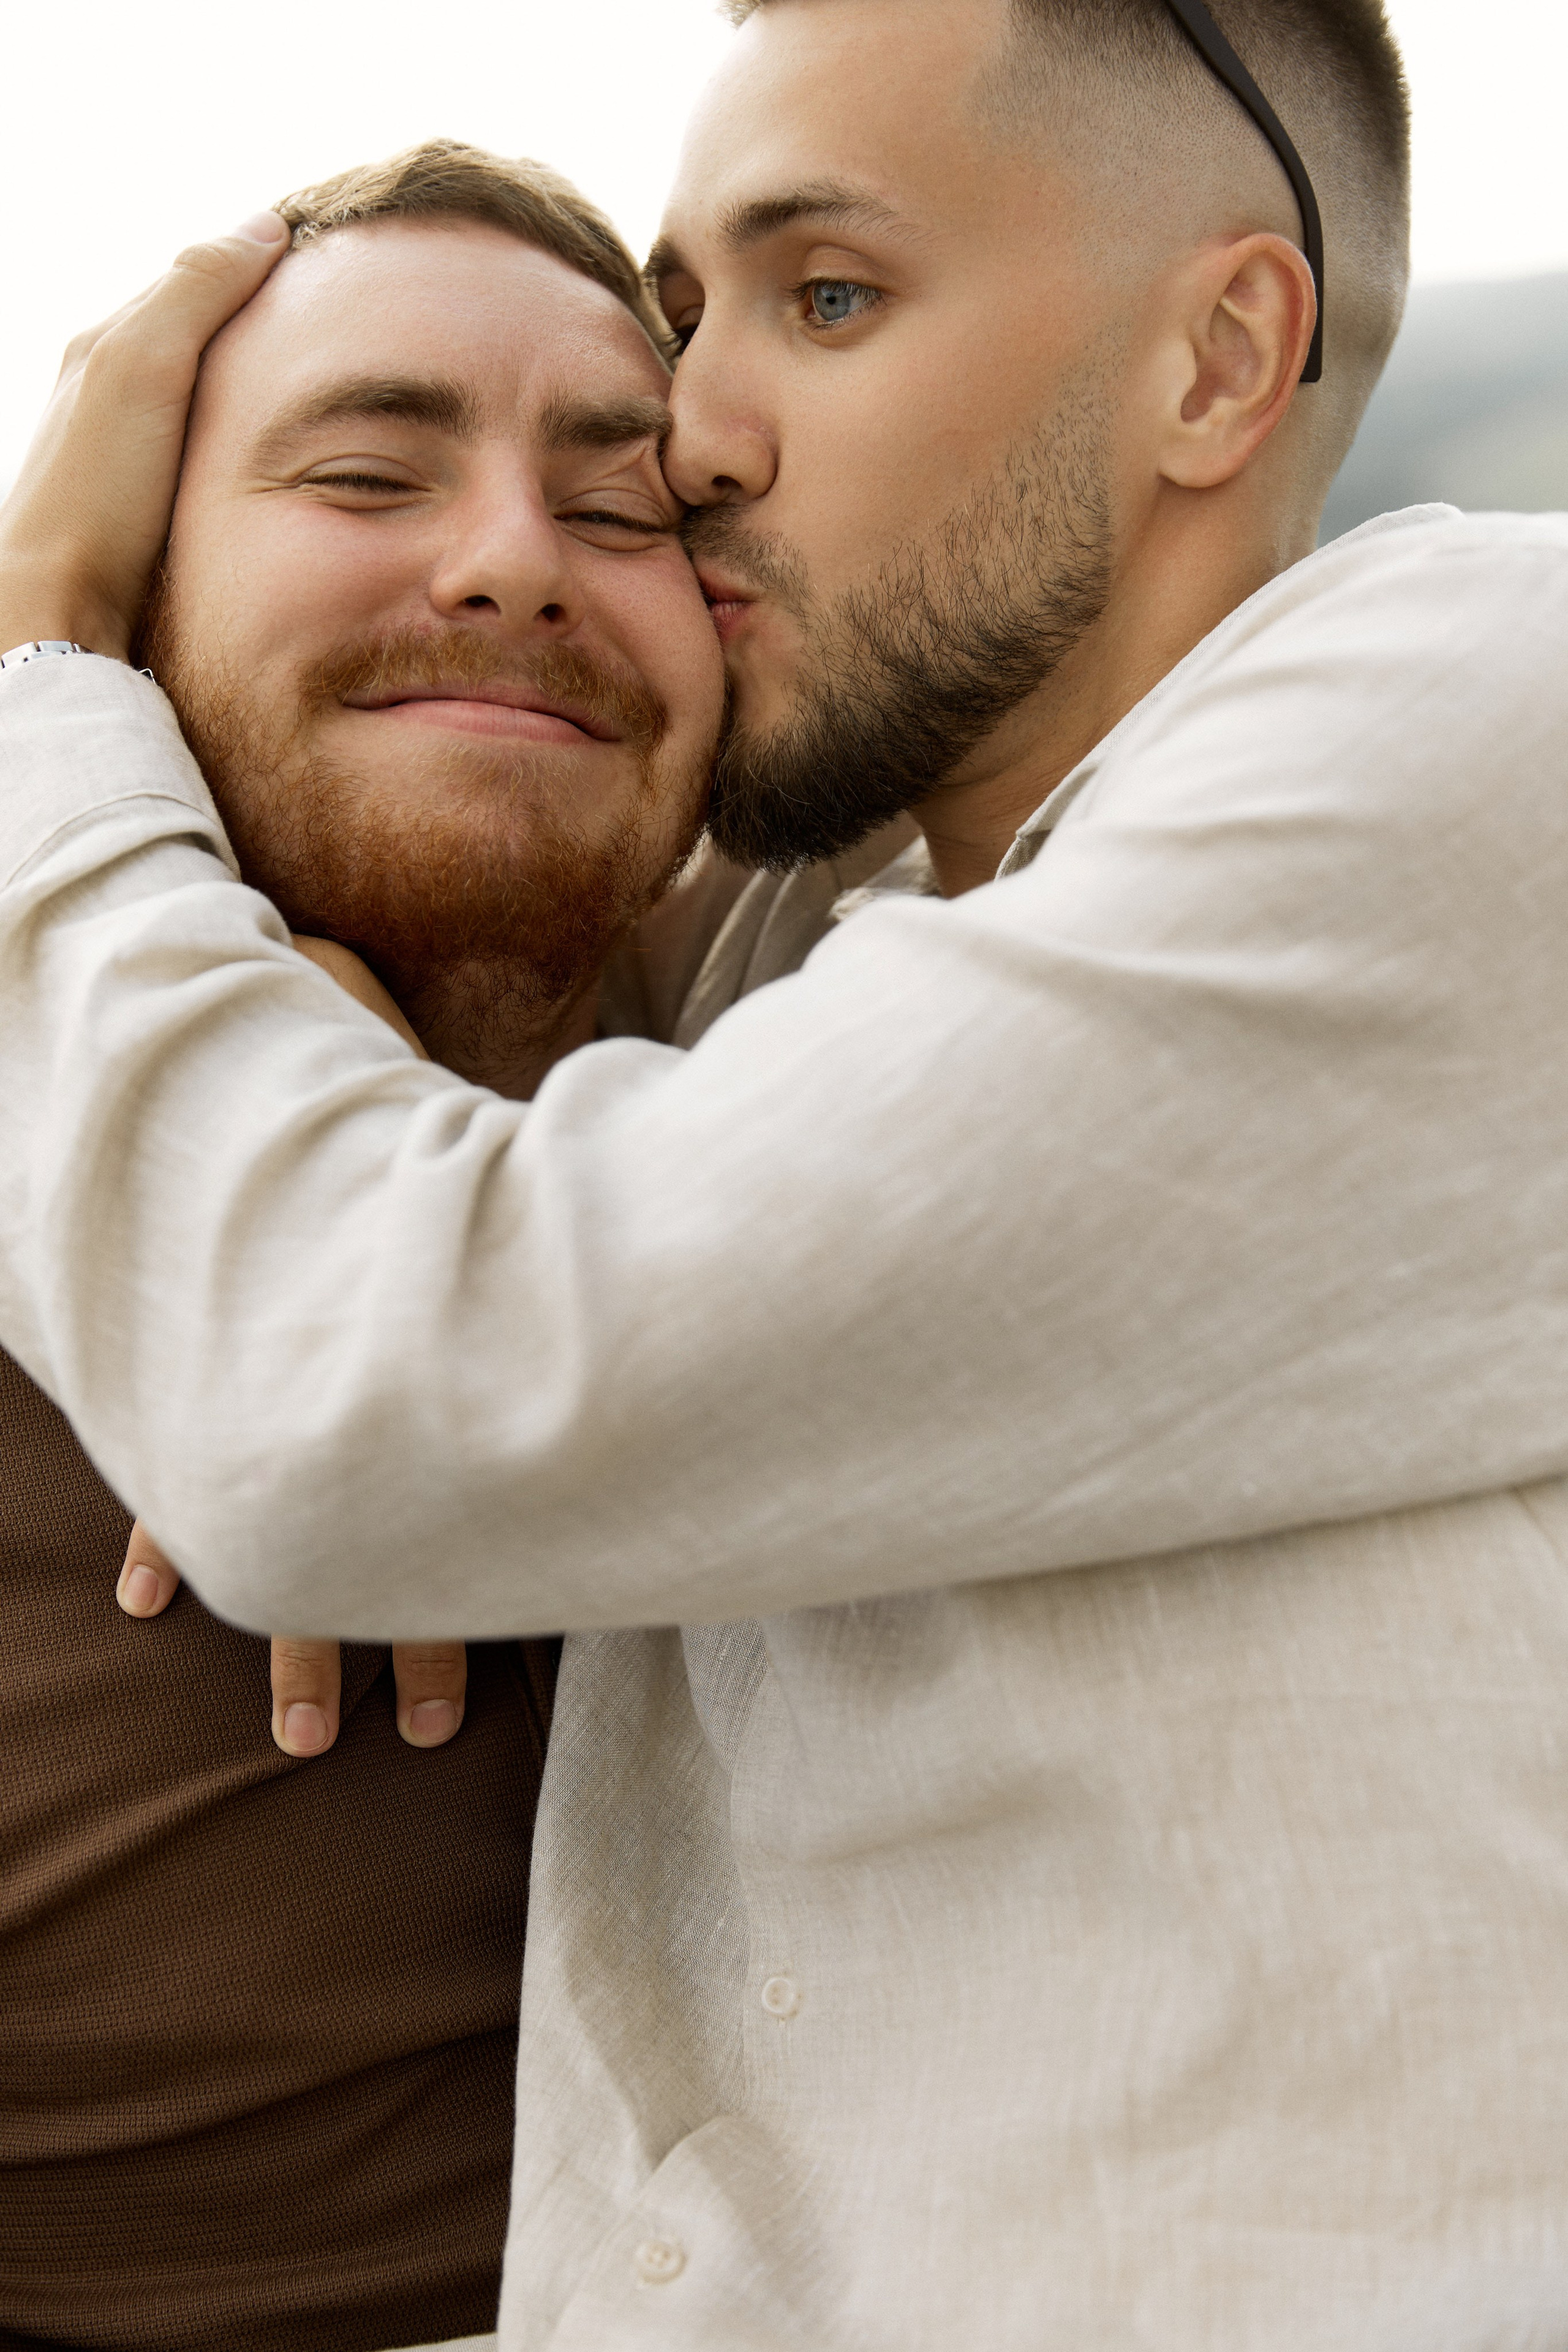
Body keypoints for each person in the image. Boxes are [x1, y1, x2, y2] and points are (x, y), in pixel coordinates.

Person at [4, 0, 1568, 2345]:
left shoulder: (1470, 723)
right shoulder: (827, 937)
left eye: (824, 300)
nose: (702, 437)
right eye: (701, 314)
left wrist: (43, 671)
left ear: (1222, 361)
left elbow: (380, 1376)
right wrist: (312, 948)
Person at [0, 141, 722, 2352]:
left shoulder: (874, 1051)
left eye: (627, 514)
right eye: (362, 474)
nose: (515, 564)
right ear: (130, 619)